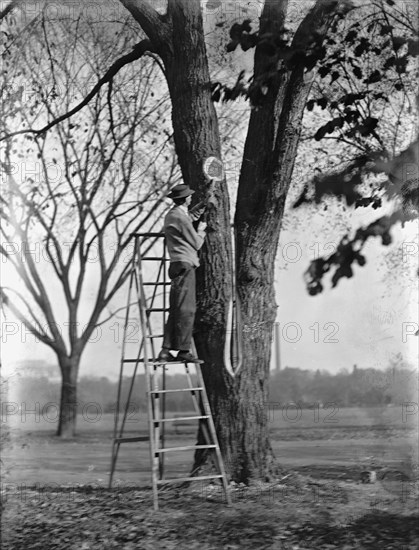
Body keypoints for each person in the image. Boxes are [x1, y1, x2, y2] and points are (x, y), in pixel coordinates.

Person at [157, 184, 207, 363]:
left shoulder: (176, 214)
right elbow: (196, 243)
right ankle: (184, 351)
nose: (190, 198)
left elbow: (188, 217)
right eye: (189, 197)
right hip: (185, 264)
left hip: (179, 264)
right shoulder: (179, 216)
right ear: (185, 199)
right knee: (187, 310)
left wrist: (203, 204)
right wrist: (201, 232)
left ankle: (166, 350)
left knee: (177, 309)